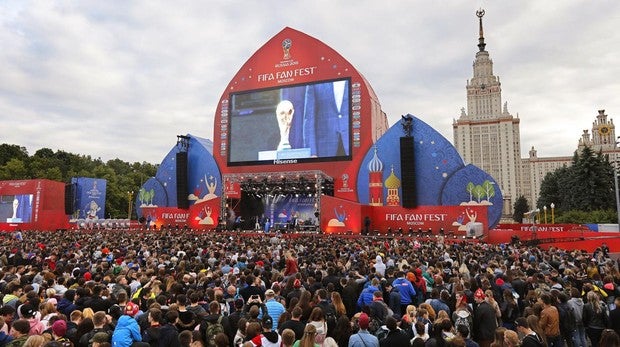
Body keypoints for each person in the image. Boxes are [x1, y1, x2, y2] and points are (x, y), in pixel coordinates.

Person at [303, 80, 350, 157]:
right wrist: (311, 152)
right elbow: (309, 118)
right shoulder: (315, 80)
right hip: (325, 148)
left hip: (352, 144)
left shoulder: (355, 79)